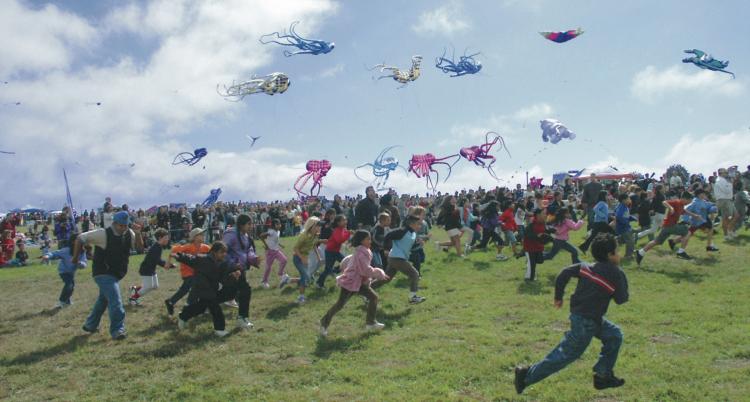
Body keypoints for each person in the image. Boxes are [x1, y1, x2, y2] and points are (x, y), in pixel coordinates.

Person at [514, 233, 629, 394]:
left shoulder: (586, 267)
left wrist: (558, 297)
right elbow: (622, 299)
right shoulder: (616, 273)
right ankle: (526, 376)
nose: (619, 255)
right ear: (610, 255)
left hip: (586, 317)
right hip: (587, 322)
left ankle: (603, 375)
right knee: (566, 355)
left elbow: (564, 273)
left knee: (614, 335)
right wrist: (621, 276)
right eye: (617, 252)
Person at [73, 211, 144, 340]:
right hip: (103, 272)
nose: (123, 228)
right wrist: (75, 259)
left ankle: (90, 325)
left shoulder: (130, 233)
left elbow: (140, 249)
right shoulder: (102, 234)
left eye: (125, 225)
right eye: (120, 225)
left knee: (104, 299)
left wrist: (138, 234)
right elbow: (80, 238)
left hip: (117, 273)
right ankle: (118, 330)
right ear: (114, 223)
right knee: (116, 300)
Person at [319, 230, 389, 337]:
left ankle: (370, 323)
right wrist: (380, 272)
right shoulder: (362, 253)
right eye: (368, 239)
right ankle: (324, 323)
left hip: (358, 282)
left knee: (373, 297)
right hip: (351, 282)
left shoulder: (363, 251)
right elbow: (365, 270)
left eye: (370, 238)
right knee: (340, 304)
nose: (370, 241)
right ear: (361, 241)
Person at [174, 242, 248, 337]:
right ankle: (219, 330)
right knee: (216, 310)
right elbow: (189, 259)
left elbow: (224, 279)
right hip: (202, 288)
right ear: (214, 252)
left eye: (225, 252)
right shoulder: (202, 259)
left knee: (201, 307)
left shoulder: (223, 263)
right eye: (221, 252)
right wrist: (179, 255)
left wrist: (234, 276)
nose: (224, 254)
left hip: (213, 289)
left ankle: (183, 315)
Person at [371, 216, 426, 304]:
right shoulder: (402, 231)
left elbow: (410, 247)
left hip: (396, 258)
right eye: (418, 224)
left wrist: (419, 244)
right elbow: (388, 236)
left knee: (387, 279)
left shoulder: (413, 233)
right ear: (411, 224)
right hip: (396, 258)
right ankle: (413, 298)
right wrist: (386, 249)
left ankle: (366, 290)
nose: (420, 226)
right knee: (415, 274)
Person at [636, 191, 700, 265]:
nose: (689, 203)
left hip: (666, 227)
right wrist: (670, 207)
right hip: (671, 226)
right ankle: (681, 251)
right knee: (687, 231)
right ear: (684, 198)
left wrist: (694, 215)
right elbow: (664, 202)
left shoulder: (681, 205)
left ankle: (640, 252)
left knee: (657, 241)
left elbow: (684, 211)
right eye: (689, 201)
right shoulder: (677, 202)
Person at [221, 214, 257, 327]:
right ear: (241, 225)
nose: (251, 226)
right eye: (249, 224)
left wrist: (253, 258)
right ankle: (242, 318)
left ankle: (203, 304)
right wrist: (234, 264)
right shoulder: (230, 234)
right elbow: (223, 251)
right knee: (245, 290)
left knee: (228, 294)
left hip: (241, 268)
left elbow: (248, 250)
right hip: (231, 269)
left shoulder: (245, 236)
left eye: (251, 224)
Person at [164, 228, 210, 315]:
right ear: (194, 237)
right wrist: (167, 263)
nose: (203, 236)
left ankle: (171, 302)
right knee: (195, 286)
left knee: (185, 289)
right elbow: (173, 251)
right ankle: (191, 307)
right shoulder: (188, 247)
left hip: (198, 273)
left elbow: (213, 256)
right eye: (201, 234)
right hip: (187, 272)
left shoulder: (206, 247)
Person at [129, 228, 172, 306]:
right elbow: (158, 261)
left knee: (155, 286)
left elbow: (157, 260)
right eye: (166, 237)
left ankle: (135, 289)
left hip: (151, 269)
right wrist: (168, 265)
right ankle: (133, 298)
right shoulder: (156, 247)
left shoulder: (159, 246)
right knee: (148, 286)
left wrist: (168, 265)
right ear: (160, 238)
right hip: (146, 269)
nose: (167, 239)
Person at [43, 233, 88, 308]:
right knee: (69, 285)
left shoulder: (82, 252)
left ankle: (67, 301)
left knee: (71, 286)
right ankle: (61, 301)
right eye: (79, 239)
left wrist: (79, 263)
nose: (82, 241)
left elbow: (84, 264)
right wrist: (47, 256)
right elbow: (54, 254)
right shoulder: (66, 250)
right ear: (73, 242)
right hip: (63, 271)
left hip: (71, 272)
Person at [292, 217, 324, 304]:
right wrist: (302, 258)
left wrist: (318, 257)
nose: (320, 227)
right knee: (305, 277)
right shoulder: (304, 235)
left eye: (320, 226)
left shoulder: (315, 235)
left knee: (306, 277)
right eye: (318, 226)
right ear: (312, 226)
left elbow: (314, 246)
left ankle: (288, 280)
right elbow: (295, 248)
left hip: (305, 258)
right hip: (298, 258)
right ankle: (301, 297)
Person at [317, 215, 351, 288]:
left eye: (346, 220)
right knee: (328, 269)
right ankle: (319, 283)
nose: (345, 222)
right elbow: (339, 240)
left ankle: (334, 271)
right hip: (330, 252)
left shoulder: (342, 229)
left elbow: (344, 235)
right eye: (343, 220)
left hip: (335, 251)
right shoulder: (337, 230)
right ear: (338, 223)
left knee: (346, 263)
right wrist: (348, 234)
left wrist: (348, 233)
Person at [523, 208, 553, 281]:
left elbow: (546, 230)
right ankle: (531, 278)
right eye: (544, 213)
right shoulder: (531, 224)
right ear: (538, 215)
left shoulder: (543, 223)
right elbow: (526, 234)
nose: (545, 215)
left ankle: (529, 264)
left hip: (538, 247)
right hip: (529, 247)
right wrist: (537, 235)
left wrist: (553, 232)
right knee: (532, 264)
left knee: (540, 260)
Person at [259, 219, 290, 289]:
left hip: (276, 251)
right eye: (277, 224)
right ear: (273, 225)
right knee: (268, 268)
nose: (279, 225)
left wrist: (280, 245)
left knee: (284, 260)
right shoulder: (271, 231)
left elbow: (275, 240)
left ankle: (280, 273)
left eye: (279, 224)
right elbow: (261, 236)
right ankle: (264, 281)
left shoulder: (278, 231)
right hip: (270, 252)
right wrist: (266, 245)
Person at [714, 168, 737, 240]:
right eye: (725, 172)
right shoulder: (720, 180)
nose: (727, 173)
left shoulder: (723, 180)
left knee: (734, 216)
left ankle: (729, 232)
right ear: (721, 172)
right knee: (727, 218)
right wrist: (731, 183)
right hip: (724, 200)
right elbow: (726, 190)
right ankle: (727, 234)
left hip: (727, 200)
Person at [614, 193, 636, 259]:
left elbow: (626, 216)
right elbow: (619, 216)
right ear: (623, 200)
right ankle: (628, 255)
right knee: (630, 241)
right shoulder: (621, 207)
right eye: (628, 199)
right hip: (624, 228)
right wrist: (625, 222)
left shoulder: (625, 206)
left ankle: (613, 241)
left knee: (623, 240)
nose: (630, 200)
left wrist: (632, 218)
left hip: (624, 227)